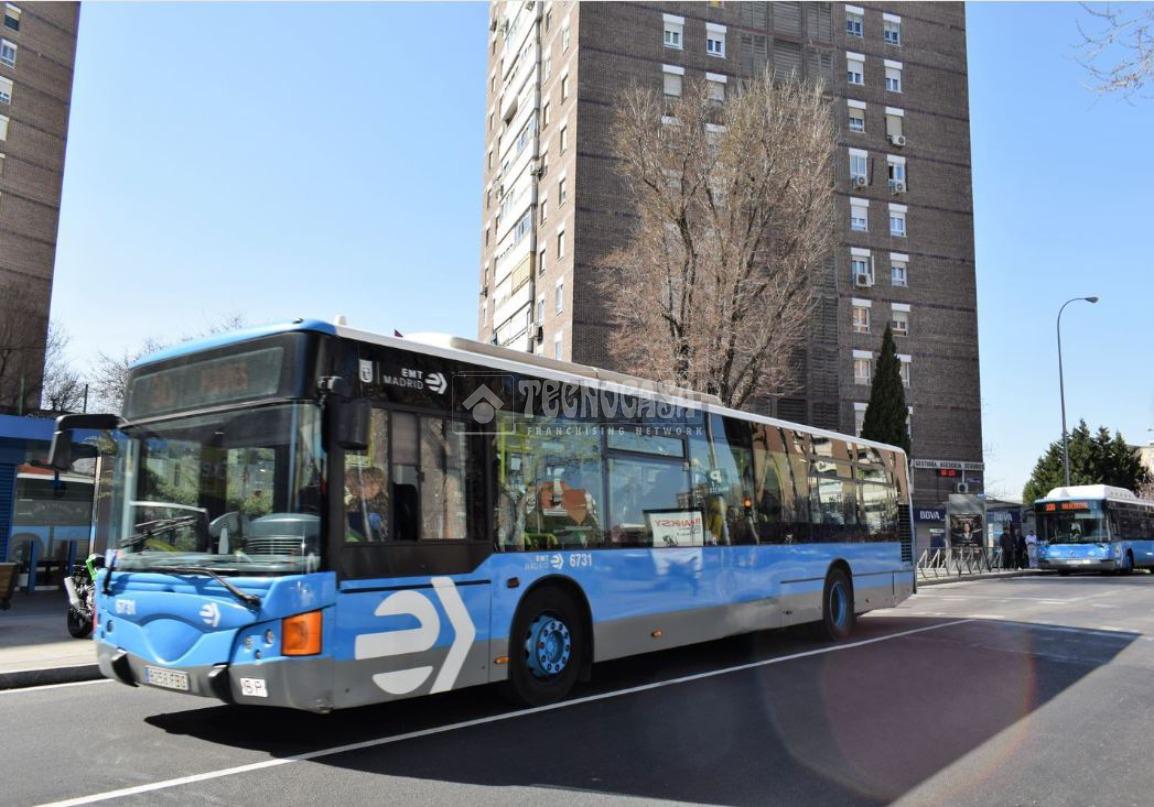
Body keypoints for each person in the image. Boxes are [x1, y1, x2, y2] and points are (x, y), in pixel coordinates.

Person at [346, 466, 388, 541]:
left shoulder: (383, 504)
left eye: (363, 484)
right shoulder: (355, 501)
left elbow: (383, 534)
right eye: (359, 483)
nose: (359, 487)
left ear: (375, 487)